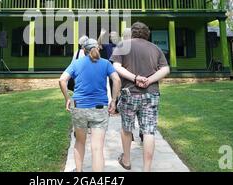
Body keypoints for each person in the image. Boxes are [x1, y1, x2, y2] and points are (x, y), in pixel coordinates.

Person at [110, 22, 170, 172]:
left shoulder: (123, 46)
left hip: (129, 93)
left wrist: (135, 78)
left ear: (133, 33)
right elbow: (166, 69)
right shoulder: (155, 48)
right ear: (147, 34)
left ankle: (127, 160)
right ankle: (147, 169)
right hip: (151, 93)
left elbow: (116, 67)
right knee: (149, 131)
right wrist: (149, 80)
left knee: (126, 128)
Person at [59, 38, 121, 172]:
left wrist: (67, 98)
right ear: (98, 48)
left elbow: (62, 80)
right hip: (100, 108)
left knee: (80, 142)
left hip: (79, 107)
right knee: (97, 147)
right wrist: (114, 101)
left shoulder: (76, 64)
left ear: (83, 50)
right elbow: (116, 80)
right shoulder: (105, 63)